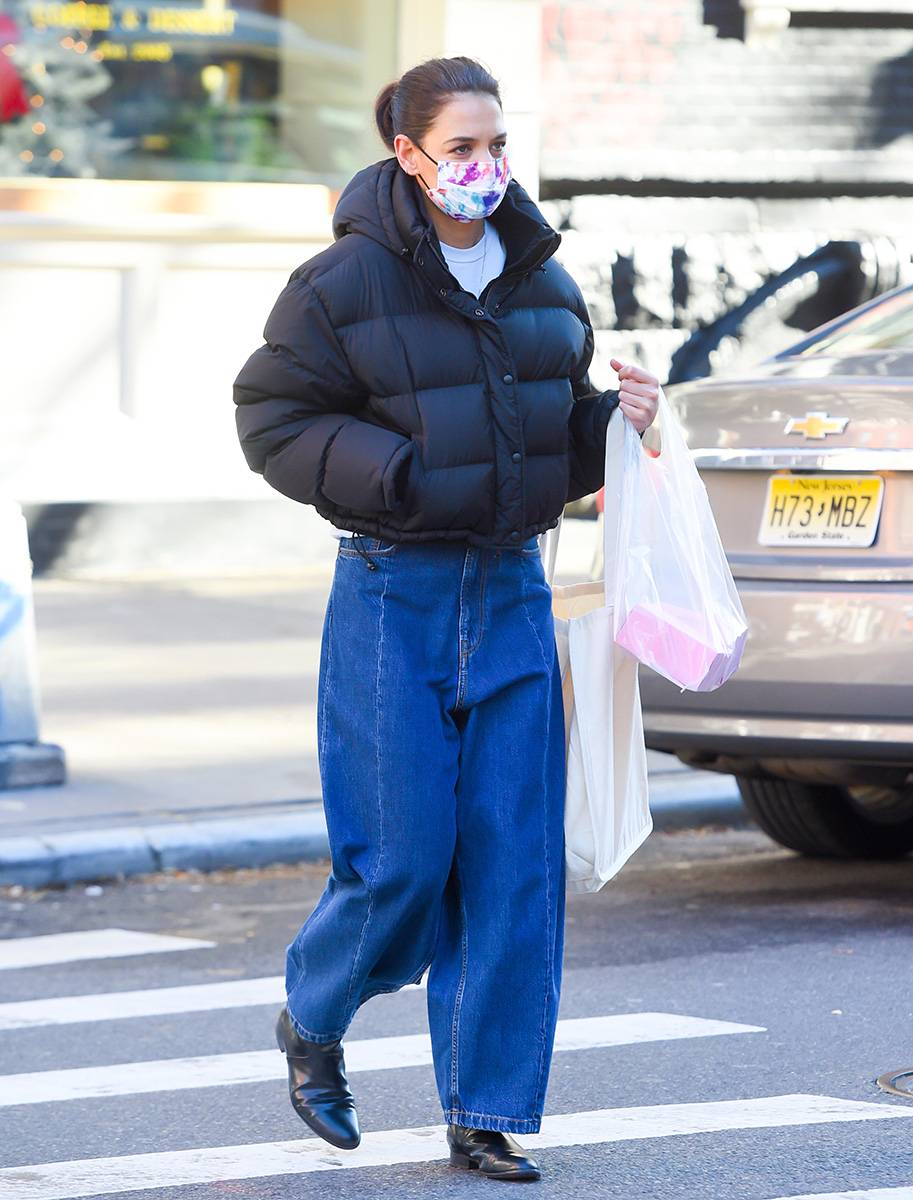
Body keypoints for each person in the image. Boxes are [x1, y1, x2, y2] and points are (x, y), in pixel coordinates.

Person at [233, 55, 659, 1183]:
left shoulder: (541, 284)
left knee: (514, 866)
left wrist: (612, 425)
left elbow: (548, 438)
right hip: (393, 592)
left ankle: (486, 1111)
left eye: (496, 145)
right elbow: (270, 417)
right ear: (407, 155)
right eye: (461, 148)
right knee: (403, 861)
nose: (483, 168)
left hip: (513, 591)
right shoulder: (342, 283)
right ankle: (314, 1020)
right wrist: (400, 474)